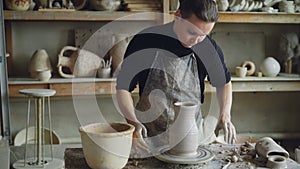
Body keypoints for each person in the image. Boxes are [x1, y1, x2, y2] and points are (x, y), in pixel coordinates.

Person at [116, 0, 236, 156]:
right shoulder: (146, 41)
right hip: (148, 139)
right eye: (192, 32)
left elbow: (224, 83)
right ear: (178, 16)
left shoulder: (208, 48)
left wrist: (224, 115)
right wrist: (133, 122)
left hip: (192, 141)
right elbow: (122, 88)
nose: (196, 41)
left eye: (203, 35)